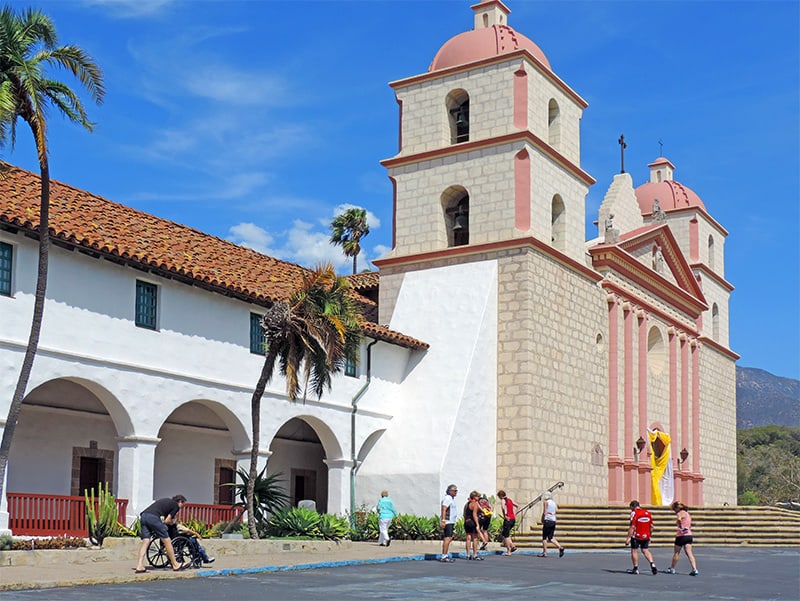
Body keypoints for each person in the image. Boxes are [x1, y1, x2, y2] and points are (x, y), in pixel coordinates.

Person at [135, 494, 189, 573]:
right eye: (182, 504)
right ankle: (175, 564)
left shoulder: (166, 500)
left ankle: (139, 565)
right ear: (180, 502)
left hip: (144, 516)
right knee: (167, 540)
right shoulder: (175, 506)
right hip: (153, 517)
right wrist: (173, 522)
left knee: (146, 541)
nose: (182, 507)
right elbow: (167, 521)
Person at [665, 501, 699, 576]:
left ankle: (672, 568)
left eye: (674, 509)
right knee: (689, 553)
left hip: (681, 535)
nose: (674, 511)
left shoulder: (680, 513)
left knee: (676, 553)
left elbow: (679, 519)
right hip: (689, 535)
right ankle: (694, 569)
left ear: (677, 508)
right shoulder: (687, 514)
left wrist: (680, 526)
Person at [625, 500, 658, 575]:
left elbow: (632, 526)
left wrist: (628, 537)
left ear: (632, 507)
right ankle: (652, 563)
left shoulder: (634, 513)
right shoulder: (647, 513)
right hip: (646, 535)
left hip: (636, 535)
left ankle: (635, 568)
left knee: (634, 551)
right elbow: (652, 526)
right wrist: (649, 536)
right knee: (645, 550)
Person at [539, 490, 565, 558]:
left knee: (544, 537)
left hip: (547, 520)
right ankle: (560, 547)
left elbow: (544, 512)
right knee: (551, 537)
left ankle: (545, 552)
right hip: (553, 520)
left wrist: (542, 519)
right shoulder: (553, 503)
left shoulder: (546, 502)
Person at [439, 484, 458, 562]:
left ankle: (445, 554)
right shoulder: (447, 498)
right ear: (450, 491)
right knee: (447, 538)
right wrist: (443, 520)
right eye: (455, 491)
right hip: (448, 521)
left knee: (449, 538)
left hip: (451, 521)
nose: (456, 492)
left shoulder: (451, 499)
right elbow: (444, 509)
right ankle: (444, 556)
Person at [497, 489, 518, 556]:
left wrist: (504, 515)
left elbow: (503, 508)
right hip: (512, 519)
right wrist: (514, 513)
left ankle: (509, 550)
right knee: (505, 533)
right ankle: (512, 545)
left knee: (506, 535)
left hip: (508, 519)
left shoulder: (503, 501)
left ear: (500, 496)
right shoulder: (509, 500)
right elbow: (517, 505)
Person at [463, 491, 484, 560]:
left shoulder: (467, 504)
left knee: (468, 538)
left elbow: (464, 514)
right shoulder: (474, 504)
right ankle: (475, 554)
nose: (478, 498)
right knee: (475, 538)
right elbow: (474, 515)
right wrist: (477, 524)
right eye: (477, 496)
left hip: (467, 522)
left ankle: (468, 554)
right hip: (472, 522)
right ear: (474, 497)